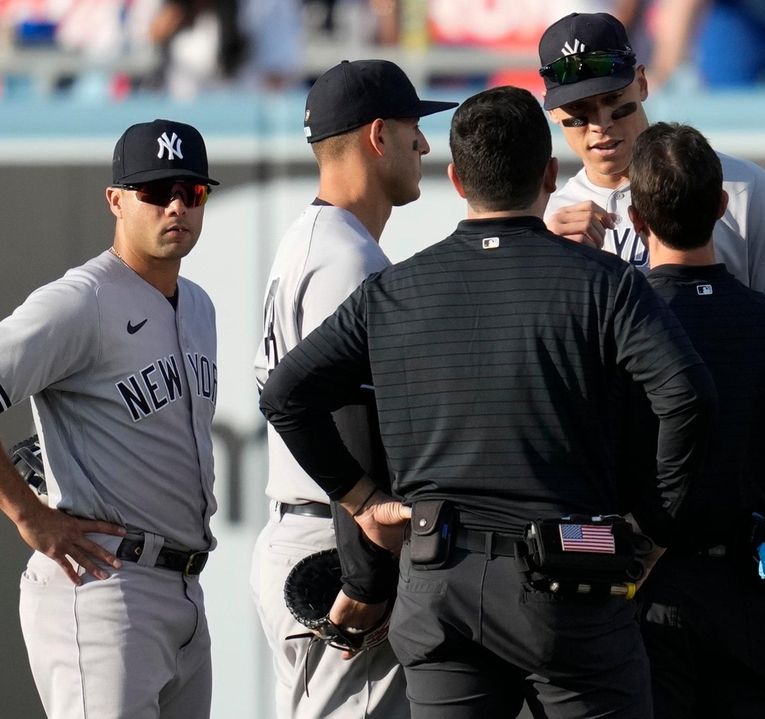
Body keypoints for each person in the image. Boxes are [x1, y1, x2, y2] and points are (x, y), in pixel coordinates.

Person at [259, 85, 717, 718]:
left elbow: (286, 395)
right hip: (571, 577)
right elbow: (688, 395)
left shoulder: (394, 290)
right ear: (551, 176)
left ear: (455, 179)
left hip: (439, 576)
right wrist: (653, 528)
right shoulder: (604, 283)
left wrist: (361, 499)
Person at [0, 119, 220, 718]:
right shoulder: (84, 298)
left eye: (192, 192)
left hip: (184, 585)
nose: (177, 207)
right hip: (106, 588)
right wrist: (26, 512)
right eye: (156, 192)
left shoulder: (200, 305)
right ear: (116, 200)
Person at [539, 11, 765, 471]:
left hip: (727, 476)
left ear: (643, 84)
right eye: (579, 115)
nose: (600, 126)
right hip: (609, 486)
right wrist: (544, 261)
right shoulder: (549, 220)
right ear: (553, 114)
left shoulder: (738, 186)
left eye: (614, 102)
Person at [625, 121, 765, 718]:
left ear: (636, 219)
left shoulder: (615, 327)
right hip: (754, 591)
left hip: (645, 588)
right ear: (723, 206)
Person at [251, 59, 455, 719]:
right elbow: (345, 412)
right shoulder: (346, 257)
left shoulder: (310, 239)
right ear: (377, 137)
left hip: (315, 526)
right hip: (337, 541)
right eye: (411, 128)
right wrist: (367, 560)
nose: (423, 144)